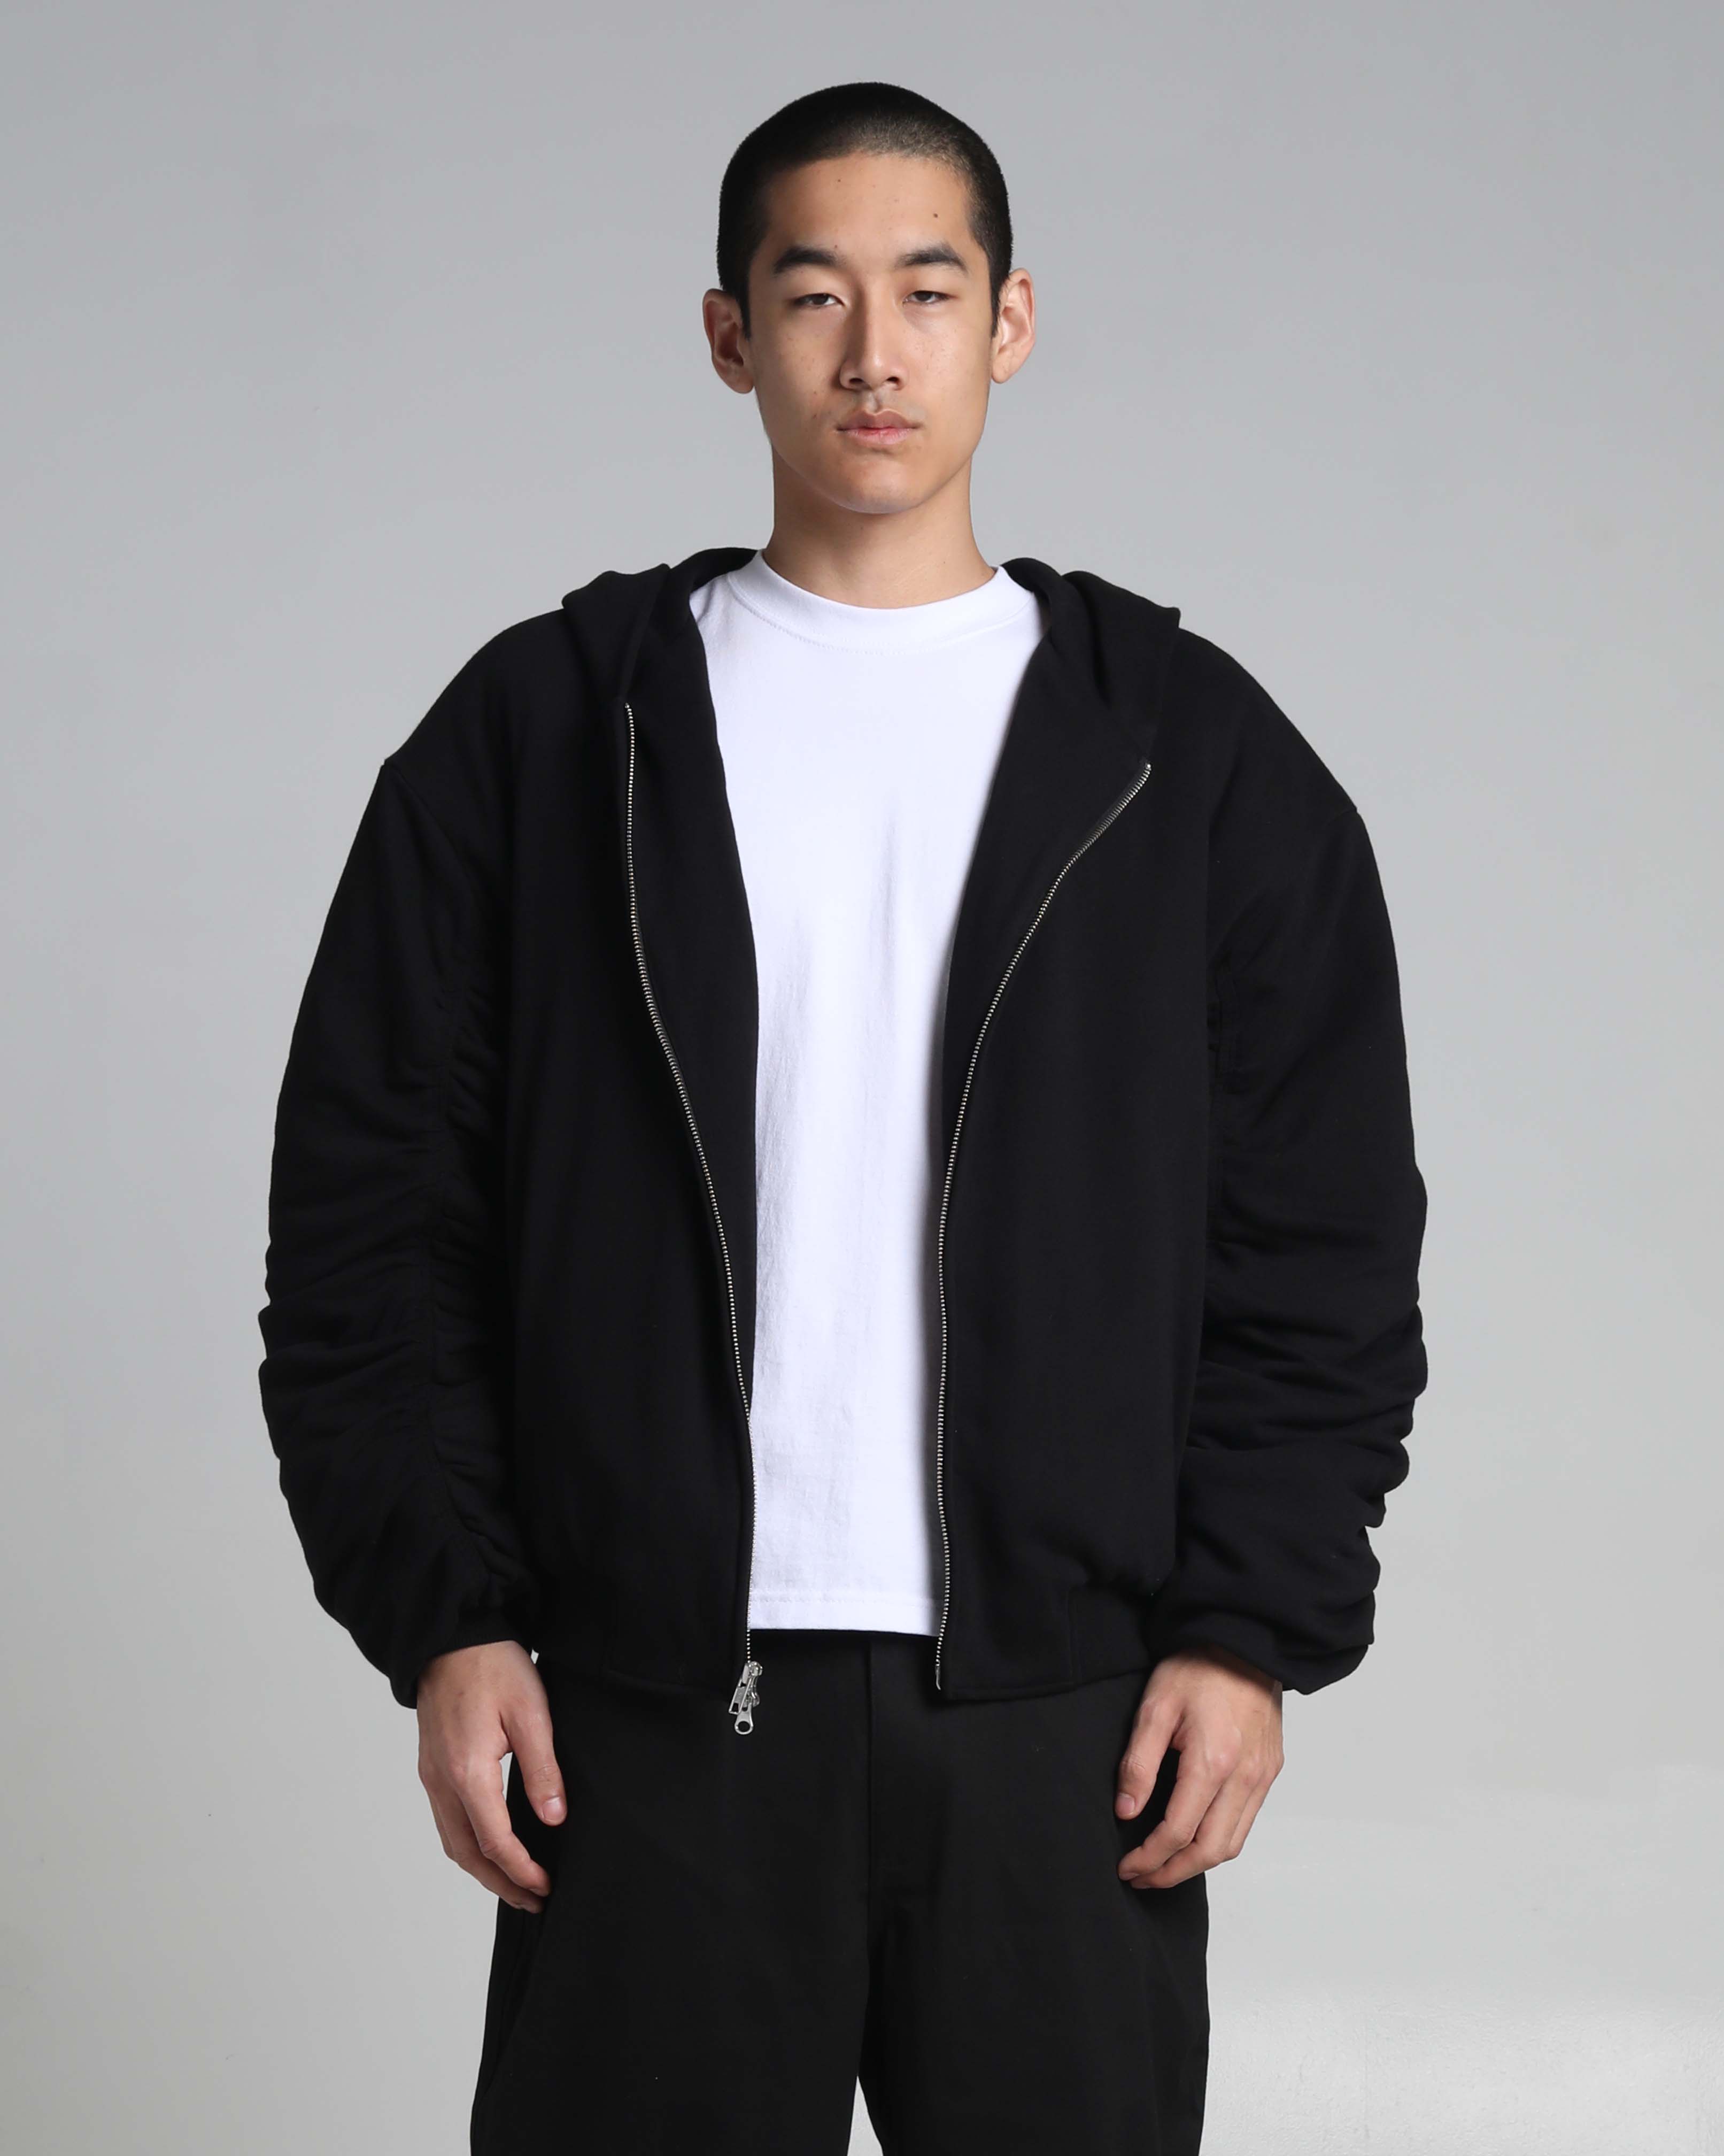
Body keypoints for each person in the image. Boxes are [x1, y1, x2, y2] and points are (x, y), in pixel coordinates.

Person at [256, 79, 1427, 2156]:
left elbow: (1317, 1240)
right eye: (812, 296)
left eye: (927, 290)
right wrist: (446, 1613)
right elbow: (372, 1216)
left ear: (1012, 322)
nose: (873, 352)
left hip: (1066, 1719)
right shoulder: (551, 734)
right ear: (731, 336)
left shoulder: (1185, 757)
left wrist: (1248, 1628)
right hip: (649, 1712)